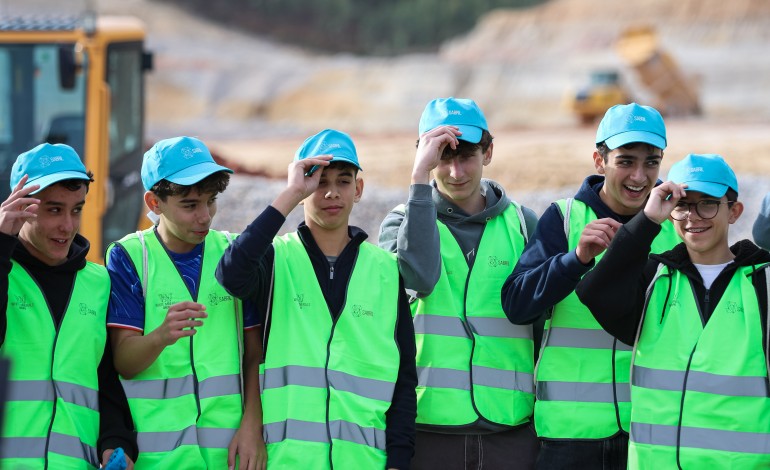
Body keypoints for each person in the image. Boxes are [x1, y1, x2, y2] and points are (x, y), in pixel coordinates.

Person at [215, 128, 417, 469]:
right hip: (288, 461)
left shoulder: (385, 270)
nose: (331, 193)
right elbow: (231, 274)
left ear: (359, 189)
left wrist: (398, 461)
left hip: (365, 462)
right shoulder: (276, 259)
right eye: (319, 182)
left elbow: (403, 379)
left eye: (342, 181)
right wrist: (291, 193)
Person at [500, 103, 680, 469]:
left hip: (649, 431)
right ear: (599, 161)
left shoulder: (675, 225)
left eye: (651, 162)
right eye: (626, 161)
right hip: (571, 436)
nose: (640, 176)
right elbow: (517, 305)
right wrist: (574, 259)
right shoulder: (565, 218)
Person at [576, 153, 770, 468]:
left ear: (734, 211)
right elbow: (595, 292)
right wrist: (647, 220)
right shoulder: (655, 278)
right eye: (681, 204)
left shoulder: (763, 282)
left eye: (707, 203)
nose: (693, 217)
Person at [379, 97, 540, 468]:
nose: (455, 172)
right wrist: (419, 180)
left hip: (510, 427)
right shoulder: (399, 223)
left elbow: (540, 326)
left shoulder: (523, 224)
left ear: (489, 152)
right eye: (442, 158)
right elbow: (419, 277)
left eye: (466, 156)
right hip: (430, 424)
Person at [106, 136, 265, 469]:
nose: (205, 216)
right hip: (158, 459)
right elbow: (124, 362)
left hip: (230, 456)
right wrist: (160, 336)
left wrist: (253, 426)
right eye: (191, 205)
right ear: (154, 202)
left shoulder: (233, 254)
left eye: (211, 201)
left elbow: (255, 355)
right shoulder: (129, 257)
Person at [0, 143, 136, 468]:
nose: (68, 225)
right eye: (54, 210)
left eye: (77, 209)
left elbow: (105, 380)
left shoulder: (99, 283)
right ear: (21, 207)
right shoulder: (5, 271)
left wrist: (116, 443)